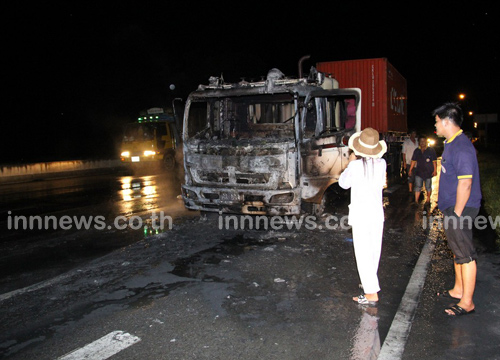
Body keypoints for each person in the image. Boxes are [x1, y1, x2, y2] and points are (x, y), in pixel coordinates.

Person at [433, 102, 482, 316]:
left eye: (436, 121)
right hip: (454, 208)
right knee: (457, 251)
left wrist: (457, 213)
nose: (435, 125)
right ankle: (458, 289)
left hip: (460, 209)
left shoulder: (462, 146)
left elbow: (466, 183)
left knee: (466, 255)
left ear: (445, 121)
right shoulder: (451, 143)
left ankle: (467, 302)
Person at [339, 127, 387, 304]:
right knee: (374, 251)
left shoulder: (355, 165)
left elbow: (343, 184)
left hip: (361, 214)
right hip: (376, 213)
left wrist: (350, 162)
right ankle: (369, 282)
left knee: (362, 253)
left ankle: (371, 293)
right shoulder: (382, 164)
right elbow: (381, 184)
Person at [409, 136, 437, 203]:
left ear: (426, 142)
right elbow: (413, 161)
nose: (422, 143)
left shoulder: (431, 150)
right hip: (419, 172)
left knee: (428, 187)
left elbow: (434, 162)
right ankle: (416, 201)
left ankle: (428, 199)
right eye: (421, 141)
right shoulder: (417, 151)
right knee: (418, 186)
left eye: (424, 141)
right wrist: (410, 170)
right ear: (419, 142)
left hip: (428, 172)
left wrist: (435, 170)